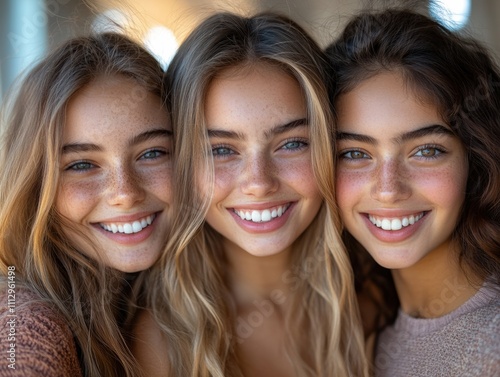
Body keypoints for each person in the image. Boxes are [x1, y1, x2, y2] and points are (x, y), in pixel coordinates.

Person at [132, 11, 368, 377]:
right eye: (221, 150)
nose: (259, 182)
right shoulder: (160, 343)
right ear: (181, 161)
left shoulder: (372, 304)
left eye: (291, 144)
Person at [325, 8, 500, 376]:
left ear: (475, 160)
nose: (389, 189)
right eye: (355, 153)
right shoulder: (360, 335)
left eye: (426, 150)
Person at [0, 32, 173, 376]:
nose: (124, 192)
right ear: (34, 185)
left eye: (151, 153)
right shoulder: (24, 318)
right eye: (81, 165)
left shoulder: (180, 296)